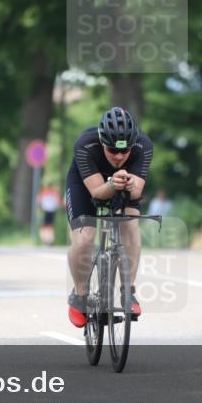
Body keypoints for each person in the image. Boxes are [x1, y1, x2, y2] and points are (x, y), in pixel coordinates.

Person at [65, 106, 153, 327]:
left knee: (131, 224)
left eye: (125, 151)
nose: (120, 156)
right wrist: (112, 183)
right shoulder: (85, 145)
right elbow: (96, 192)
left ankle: (128, 291)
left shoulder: (144, 146)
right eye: (113, 150)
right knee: (84, 239)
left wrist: (129, 185)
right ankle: (80, 295)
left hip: (121, 184)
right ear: (103, 143)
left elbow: (136, 193)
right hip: (86, 185)